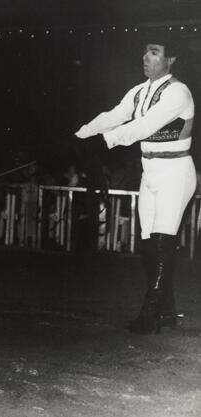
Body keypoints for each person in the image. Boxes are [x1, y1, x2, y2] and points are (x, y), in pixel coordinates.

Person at [74, 33, 195, 334]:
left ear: (171, 59)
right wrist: (81, 135)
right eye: (145, 52)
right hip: (150, 171)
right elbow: (114, 115)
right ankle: (166, 310)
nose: (146, 58)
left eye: (154, 53)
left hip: (175, 171)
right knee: (147, 243)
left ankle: (151, 311)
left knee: (163, 239)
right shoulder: (139, 92)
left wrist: (106, 141)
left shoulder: (178, 92)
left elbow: (144, 126)